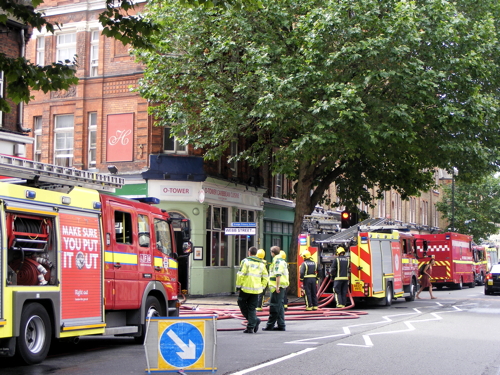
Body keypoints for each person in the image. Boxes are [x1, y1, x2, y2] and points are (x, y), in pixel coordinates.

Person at [236, 246, 269, 333]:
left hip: (245, 288)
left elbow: (240, 275)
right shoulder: (261, 264)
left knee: (241, 303)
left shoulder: (245, 262)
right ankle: (250, 327)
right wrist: (262, 287)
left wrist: (238, 286)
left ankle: (254, 321)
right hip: (256, 289)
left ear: (249, 253)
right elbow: (265, 277)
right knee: (252, 308)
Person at [263, 246, 289, 331]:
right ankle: (281, 325)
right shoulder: (281, 261)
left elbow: (278, 275)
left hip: (277, 287)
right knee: (279, 306)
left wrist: (277, 286)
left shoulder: (277, 262)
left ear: (272, 253)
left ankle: (270, 325)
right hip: (280, 286)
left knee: (274, 306)